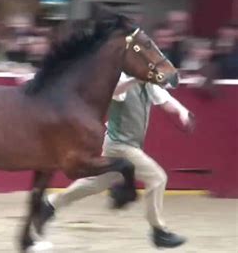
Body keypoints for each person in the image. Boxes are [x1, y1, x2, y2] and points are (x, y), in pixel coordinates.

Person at [40, 73, 195, 249]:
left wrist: (182, 111)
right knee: (157, 178)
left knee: (97, 183)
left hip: (123, 145)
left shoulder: (148, 84)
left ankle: (50, 204)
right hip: (120, 145)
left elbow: (166, 101)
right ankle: (159, 231)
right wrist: (136, 78)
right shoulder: (121, 78)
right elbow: (117, 91)